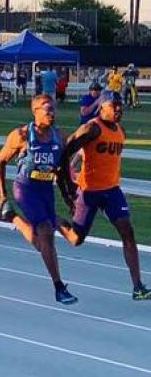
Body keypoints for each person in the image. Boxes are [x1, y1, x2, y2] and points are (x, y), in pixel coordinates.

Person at [59, 91, 150, 299]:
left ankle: (138, 286)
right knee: (75, 239)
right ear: (102, 106)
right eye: (114, 105)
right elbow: (67, 150)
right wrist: (67, 185)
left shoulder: (121, 131)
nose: (119, 109)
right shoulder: (92, 128)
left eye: (121, 106)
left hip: (111, 190)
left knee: (128, 231)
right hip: (89, 192)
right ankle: (52, 219)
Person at [0, 94, 78, 304]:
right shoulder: (21, 135)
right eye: (47, 109)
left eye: (53, 109)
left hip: (46, 191)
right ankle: (59, 287)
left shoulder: (60, 136)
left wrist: (69, 198)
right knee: (46, 233)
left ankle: (12, 217)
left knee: (46, 242)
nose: (51, 113)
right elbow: (0, 161)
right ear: (35, 111)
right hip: (25, 189)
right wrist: (2, 194)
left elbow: (64, 172)